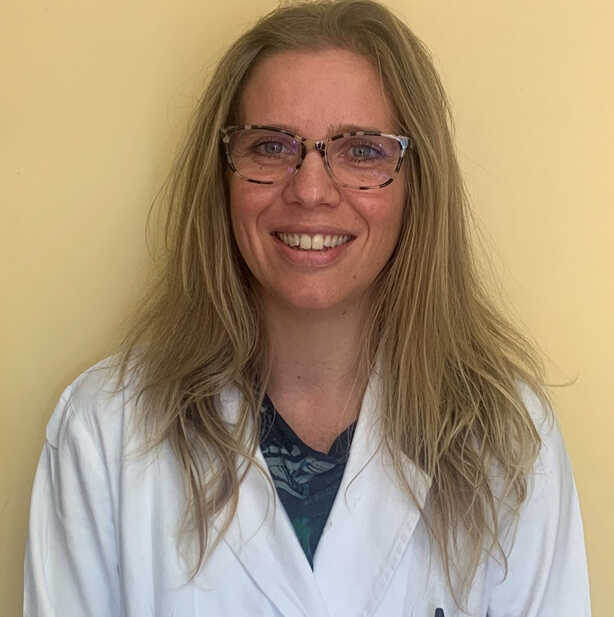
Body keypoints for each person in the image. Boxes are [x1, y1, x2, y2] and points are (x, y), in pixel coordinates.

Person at [24, 1, 591, 615]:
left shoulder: (507, 440)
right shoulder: (104, 434)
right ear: (222, 177)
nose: (312, 190)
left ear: (416, 185)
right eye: (271, 146)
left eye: (364, 151)